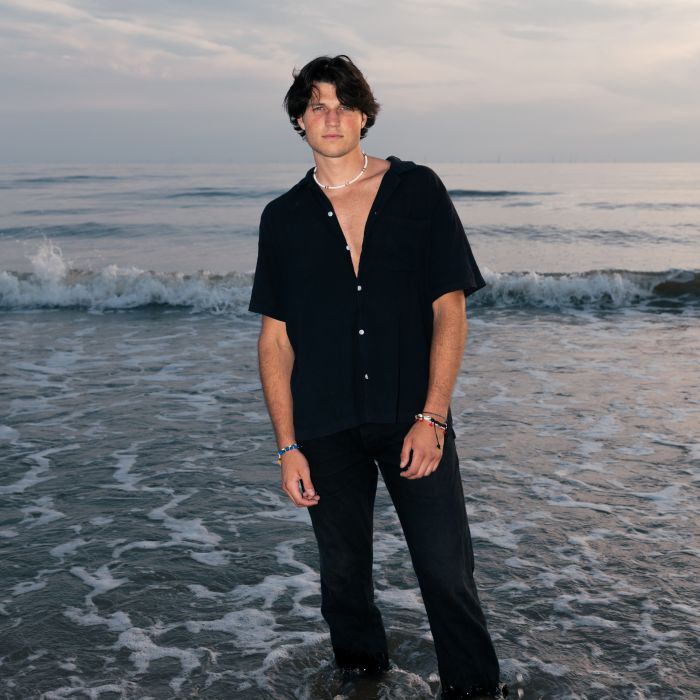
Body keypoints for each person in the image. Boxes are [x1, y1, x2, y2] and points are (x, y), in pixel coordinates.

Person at [248, 54, 507, 700]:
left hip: (410, 415)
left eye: (342, 104)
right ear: (299, 121)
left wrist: (434, 414)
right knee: (343, 582)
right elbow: (275, 341)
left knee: (447, 572)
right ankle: (363, 685)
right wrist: (287, 446)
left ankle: (476, 692)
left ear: (364, 114)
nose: (329, 116)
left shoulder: (417, 190)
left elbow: (449, 311)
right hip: (325, 423)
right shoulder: (282, 218)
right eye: (315, 105)